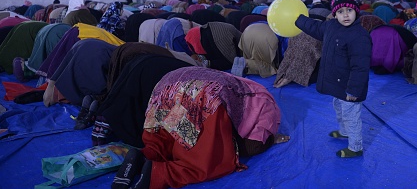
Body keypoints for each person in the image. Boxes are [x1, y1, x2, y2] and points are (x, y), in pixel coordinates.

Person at [111, 67, 289, 189]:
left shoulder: (249, 87)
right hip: (205, 94)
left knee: (169, 136)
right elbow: (254, 145)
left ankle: (144, 155)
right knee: (206, 162)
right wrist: (271, 140)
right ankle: (160, 173)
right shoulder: (268, 108)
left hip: (169, 83)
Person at [294, 0, 371, 158]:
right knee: (339, 110)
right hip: (337, 83)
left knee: (351, 116)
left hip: (350, 87)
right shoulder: (331, 26)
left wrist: (353, 90)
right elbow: (314, 27)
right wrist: (298, 20)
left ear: (355, 12)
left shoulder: (359, 36)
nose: (345, 15)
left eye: (349, 10)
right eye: (341, 11)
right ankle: (344, 132)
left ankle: (356, 146)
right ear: (335, 14)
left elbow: (360, 67)